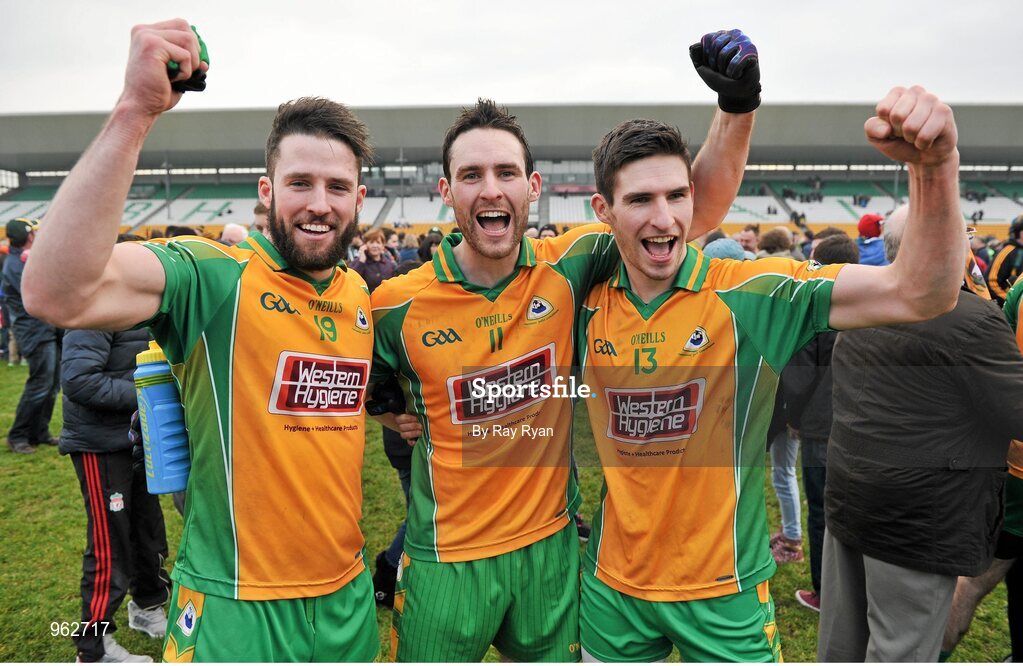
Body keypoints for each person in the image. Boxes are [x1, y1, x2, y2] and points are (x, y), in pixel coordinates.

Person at [372, 28, 761, 662]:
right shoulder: (394, 303)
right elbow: (331, 362)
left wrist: (737, 107)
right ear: (447, 192)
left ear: (533, 185)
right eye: (471, 175)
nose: (490, 189)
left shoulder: (571, 264)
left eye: (506, 172)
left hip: (552, 549)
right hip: (445, 559)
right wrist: (385, 406)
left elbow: (697, 212)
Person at [22, 21, 378, 662]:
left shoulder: (357, 296)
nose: (319, 204)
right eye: (300, 183)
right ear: (266, 192)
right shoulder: (214, 275)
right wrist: (135, 111)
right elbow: (56, 293)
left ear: (360, 197)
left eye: (337, 186)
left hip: (346, 599)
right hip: (233, 608)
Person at [577, 84, 966, 662]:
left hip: (725, 591)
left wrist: (936, 168)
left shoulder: (753, 292)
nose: (665, 218)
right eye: (640, 200)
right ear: (603, 211)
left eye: (677, 195)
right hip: (611, 588)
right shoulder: (577, 292)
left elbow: (920, 294)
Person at [817, 206, 1023, 662]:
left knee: (841, 644)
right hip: (919, 513)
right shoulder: (969, 318)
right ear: (946, 247)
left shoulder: (863, 297)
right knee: (902, 649)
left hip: (851, 490)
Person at [59, 291, 170, 662]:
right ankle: (93, 648)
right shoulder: (93, 310)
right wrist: (148, 395)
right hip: (99, 445)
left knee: (148, 529)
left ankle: (148, 605)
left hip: (135, 440)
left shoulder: (145, 308)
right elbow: (79, 381)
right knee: (111, 543)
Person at [783, 234, 860, 613]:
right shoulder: (872, 298)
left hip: (822, 424)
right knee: (857, 509)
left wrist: (792, 417)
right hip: (864, 422)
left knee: (824, 513)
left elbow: (800, 374)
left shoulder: (817, 302)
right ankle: (856, 591)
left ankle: (826, 593)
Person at [3, 217, 61, 454]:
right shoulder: (16, 265)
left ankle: (39, 432)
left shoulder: (23, 260)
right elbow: (41, 294)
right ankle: (18, 435)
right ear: (28, 236)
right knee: (39, 385)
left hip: (46, 329)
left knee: (52, 385)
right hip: (35, 332)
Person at [987, 214, 1023, 305]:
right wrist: (1011, 301)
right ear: (1021, 233)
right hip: (1013, 309)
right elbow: (992, 281)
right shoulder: (1007, 251)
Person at [349, 227, 396, 292]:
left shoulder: (390, 265)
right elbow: (350, 281)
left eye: (378, 242)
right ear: (365, 245)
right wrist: (361, 261)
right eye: (371, 242)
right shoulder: (357, 262)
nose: (375, 245)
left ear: (383, 245)